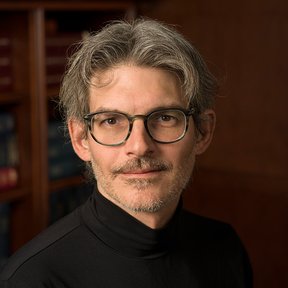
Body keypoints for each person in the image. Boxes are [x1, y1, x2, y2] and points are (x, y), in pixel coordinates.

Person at [0, 18, 253, 287]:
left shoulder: (225, 249)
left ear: (202, 131)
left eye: (165, 118)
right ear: (80, 138)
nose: (139, 146)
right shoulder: (33, 279)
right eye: (111, 121)